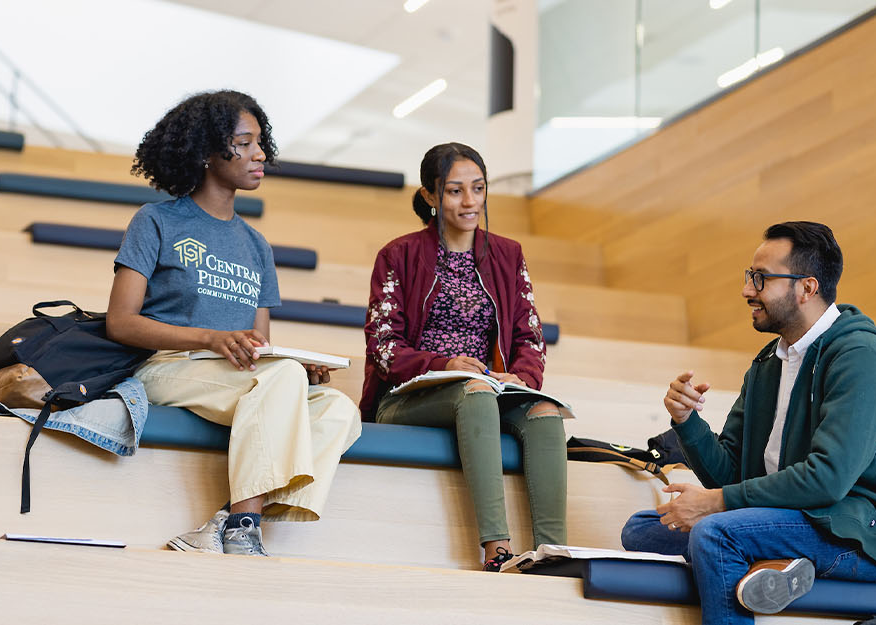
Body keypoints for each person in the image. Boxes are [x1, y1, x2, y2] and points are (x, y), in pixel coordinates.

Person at [619, 221, 876, 622]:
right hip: (791, 518)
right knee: (641, 529)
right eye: (749, 276)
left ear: (806, 288)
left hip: (856, 533)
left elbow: (826, 480)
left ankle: (767, 556)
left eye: (760, 279)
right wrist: (687, 420)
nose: (747, 290)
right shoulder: (768, 363)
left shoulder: (860, 357)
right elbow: (726, 473)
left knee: (714, 532)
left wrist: (717, 504)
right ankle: (775, 561)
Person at [107, 90, 362, 557]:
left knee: (338, 409)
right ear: (205, 153)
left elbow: (259, 345)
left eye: (260, 142)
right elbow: (120, 323)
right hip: (165, 366)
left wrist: (297, 366)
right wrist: (211, 337)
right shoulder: (157, 221)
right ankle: (244, 531)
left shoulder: (256, 245)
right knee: (281, 378)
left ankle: (228, 519)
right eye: (243, 143)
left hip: (231, 376)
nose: (259, 153)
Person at [361, 142, 566, 571]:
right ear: (430, 196)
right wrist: (444, 364)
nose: (470, 201)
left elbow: (529, 333)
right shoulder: (398, 255)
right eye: (455, 191)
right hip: (411, 395)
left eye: (478, 188)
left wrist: (522, 378)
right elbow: (384, 348)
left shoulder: (507, 254)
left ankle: (552, 552)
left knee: (545, 412)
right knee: (474, 391)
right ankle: (497, 549)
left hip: (489, 387)